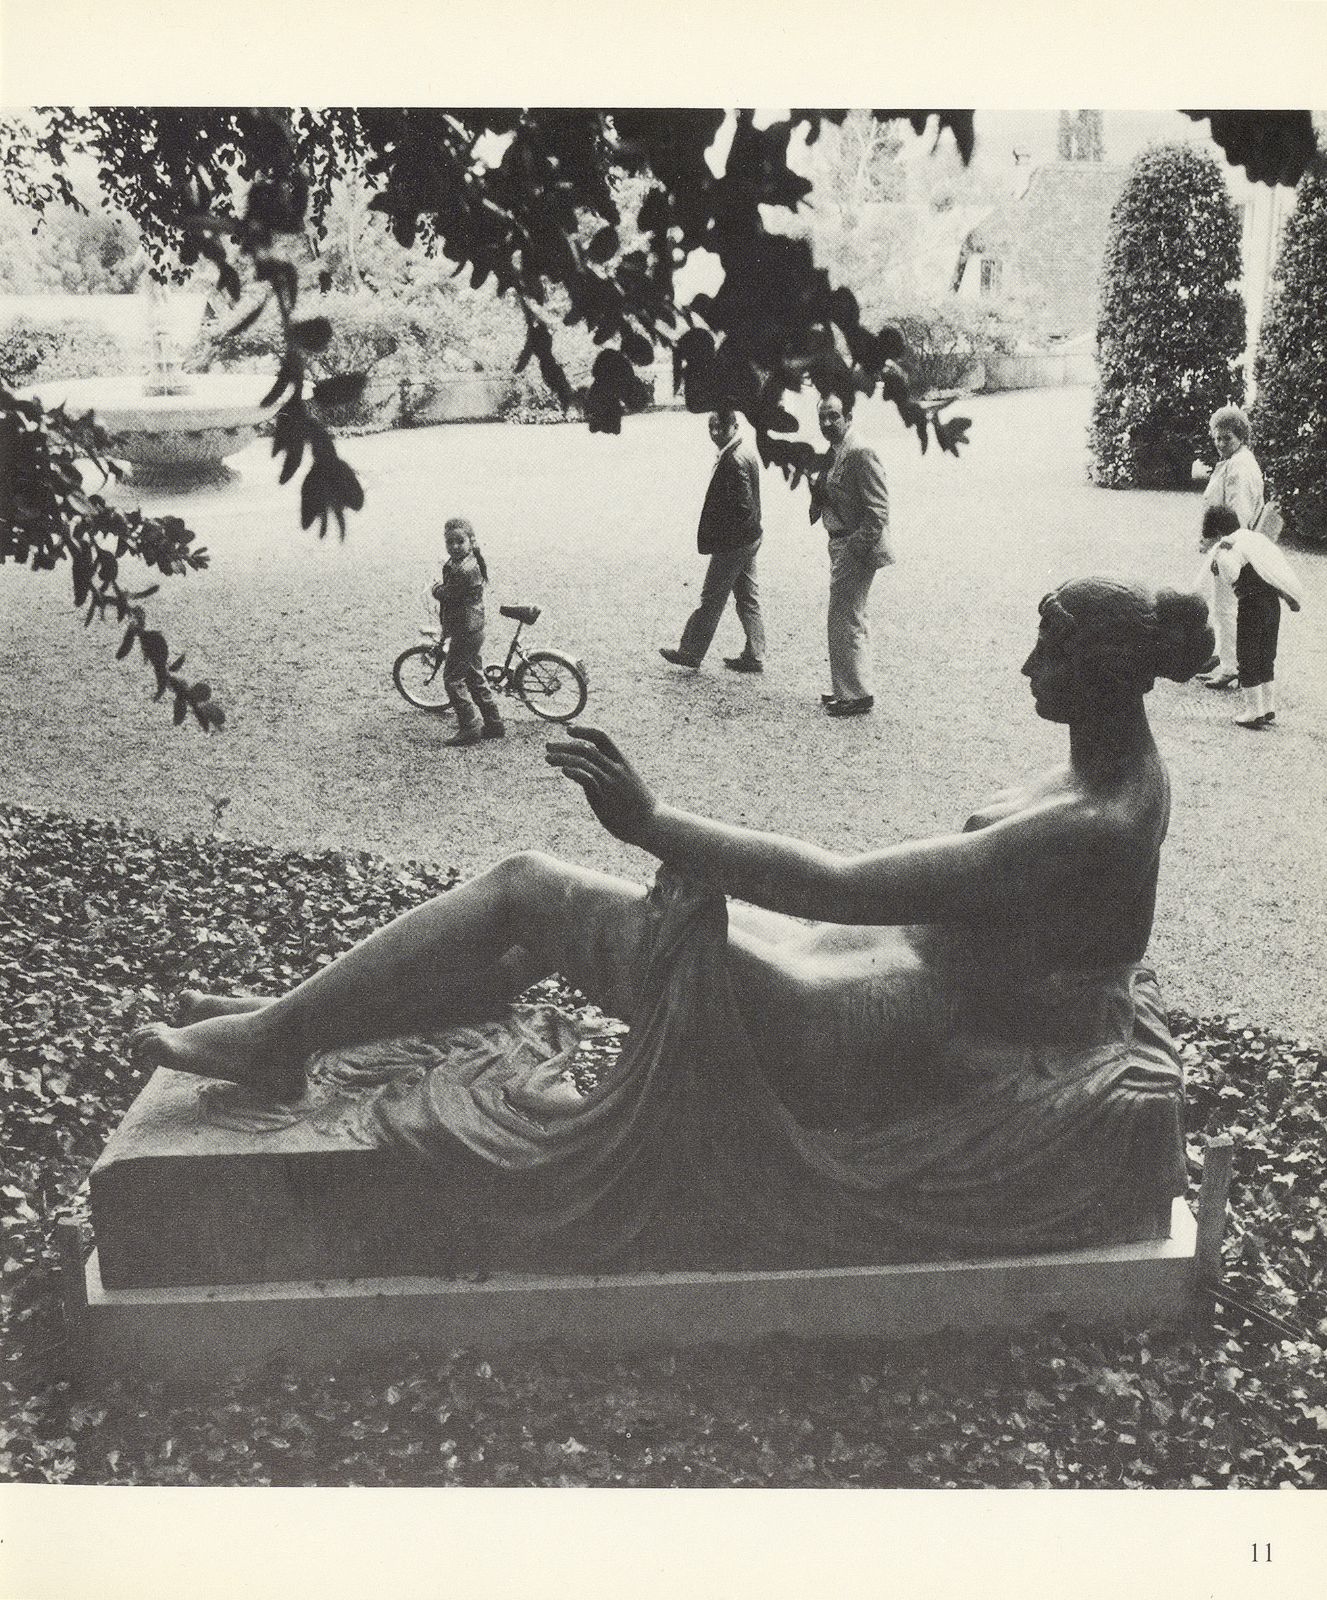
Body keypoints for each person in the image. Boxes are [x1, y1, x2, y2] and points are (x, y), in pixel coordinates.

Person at [131, 578, 1212, 1265]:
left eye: (1050, 653)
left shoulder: (1094, 820)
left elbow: (836, 881)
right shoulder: (1104, 768)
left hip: (863, 1024)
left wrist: (653, 822)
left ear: (1105, 673)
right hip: (880, 976)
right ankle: (305, 1020)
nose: (1027, 668)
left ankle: (278, 1041)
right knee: (521, 936)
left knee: (525, 888)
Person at [659, 409, 766, 674]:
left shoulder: (734, 460)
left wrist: (722, 539)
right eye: (712, 427)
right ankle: (755, 653)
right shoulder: (743, 452)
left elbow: (742, 507)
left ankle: (691, 652)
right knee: (747, 596)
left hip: (735, 543)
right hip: (750, 537)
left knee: (711, 597)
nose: (715, 432)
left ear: (734, 426)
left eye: (721, 427)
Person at [811, 391, 892, 717]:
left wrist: (853, 552)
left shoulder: (860, 451)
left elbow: (878, 510)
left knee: (845, 617)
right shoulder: (837, 451)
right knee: (846, 616)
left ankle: (857, 695)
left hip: (855, 546)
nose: (828, 423)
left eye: (834, 416)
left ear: (849, 417)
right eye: (822, 417)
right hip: (841, 543)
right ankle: (849, 687)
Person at [1200, 506, 1305, 728]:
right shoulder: (1255, 538)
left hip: (1251, 604)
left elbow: (1231, 575)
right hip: (1272, 604)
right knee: (1266, 656)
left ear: (1218, 530)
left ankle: (1252, 711)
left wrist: (1219, 554)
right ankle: (1268, 708)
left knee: (1247, 655)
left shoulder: (1229, 545)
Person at [1193, 405, 1265, 692]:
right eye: (1217, 438)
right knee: (1202, 597)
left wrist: (1221, 549)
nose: (1221, 444)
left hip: (1232, 546)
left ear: (1241, 437)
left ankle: (1230, 667)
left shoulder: (1241, 468)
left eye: (1228, 438)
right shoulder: (1231, 461)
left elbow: (1239, 517)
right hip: (1222, 542)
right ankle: (1221, 656)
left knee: (1224, 607)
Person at [431, 517, 504, 748]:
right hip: (473, 628)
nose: (454, 546)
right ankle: (493, 722)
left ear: (470, 541)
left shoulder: (464, 569)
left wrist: (435, 589)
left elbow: (448, 594)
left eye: (459, 541)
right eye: (449, 542)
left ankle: (470, 726)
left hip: (465, 630)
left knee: (453, 679)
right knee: (473, 675)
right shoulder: (467, 562)